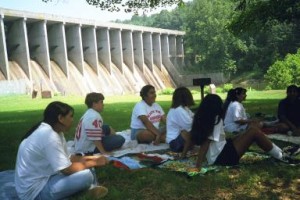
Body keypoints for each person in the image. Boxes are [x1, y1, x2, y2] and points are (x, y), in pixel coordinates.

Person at [15, 101, 109, 200]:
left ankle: (87, 189)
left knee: (85, 166)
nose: (73, 120)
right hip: (34, 192)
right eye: (70, 116)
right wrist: (94, 162)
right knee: (86, 175)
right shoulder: (49, 136)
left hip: (46, 178)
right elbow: (66, 169)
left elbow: (69, 158)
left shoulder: (56, 132)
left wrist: (93, 158)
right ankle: (86, 191)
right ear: (60, 118)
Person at [190, 94, 300, 171]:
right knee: (254, 132)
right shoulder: (215, 119)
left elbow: (213, 141)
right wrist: (198, 166)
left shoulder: (202, 118)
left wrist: (242, 135)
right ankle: (282, 156)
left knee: (250, 131)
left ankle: (281, 152)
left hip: (222, 151)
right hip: (223, 157)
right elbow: (206, 143)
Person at [166, 87, 195, 158]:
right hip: (175, 143)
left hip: (179, 140)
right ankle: (183, 154)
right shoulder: (178, 110)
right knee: (188, 132)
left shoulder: (184, 109)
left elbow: (194, 117)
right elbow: (190, 126)